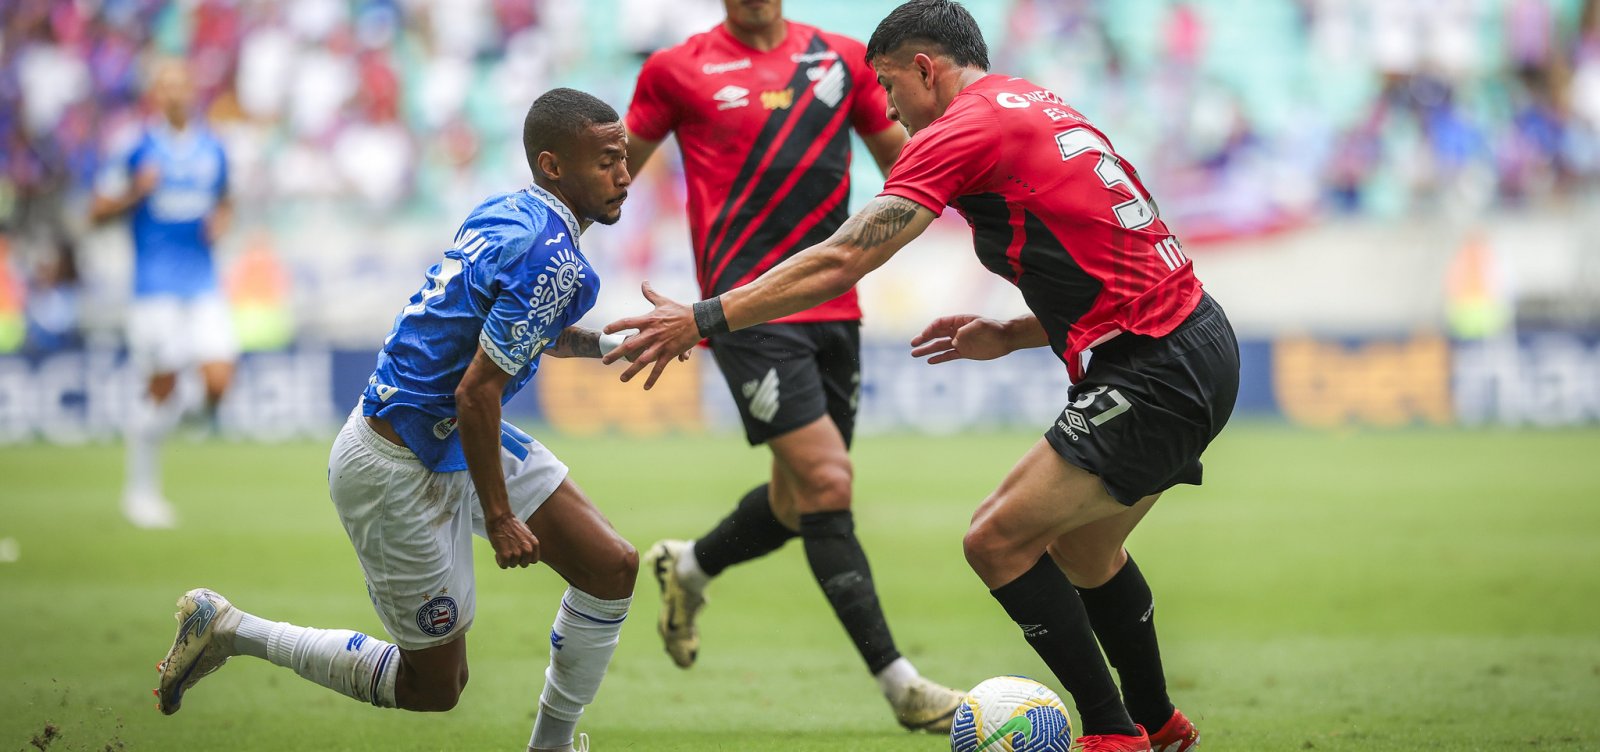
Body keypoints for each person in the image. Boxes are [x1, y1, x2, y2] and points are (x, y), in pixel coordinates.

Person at [604, 2, 1238, 750]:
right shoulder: (1031, 100)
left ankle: (1111, 734)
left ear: (925, 69)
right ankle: (1160, 724)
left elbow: (846, 255)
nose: (892, 108)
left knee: (996, 541)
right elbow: (1119, 256)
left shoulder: (961, 127)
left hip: (1156, 365)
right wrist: (1012, 332)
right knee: (1086, 551)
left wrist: (704, 317)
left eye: (890, 86)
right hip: (1191, 338)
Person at [154, 88, 641, 752]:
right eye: (608, 161)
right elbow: (477, 394)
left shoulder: (509, 212)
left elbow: (523, 332)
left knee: (610, 566)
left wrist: (611, 344)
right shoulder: (553, 256)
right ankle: (232, 629)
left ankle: (549, 747)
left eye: (625, 159)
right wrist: (500, 518)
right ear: (553, 165)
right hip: (397, 466)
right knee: (434, 688)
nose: (624, 175)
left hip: (444, 433)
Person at [621, 0, 962, 733]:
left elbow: (910, 170)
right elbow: (609, 174)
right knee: (830, 481)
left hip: (834, 309)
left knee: (794, 502)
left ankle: (688, 569)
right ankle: (901, 686)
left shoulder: (841, 60)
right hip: (743, 310)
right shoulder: (675, 71)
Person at [91, 59, 236, 529]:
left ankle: (182, 417)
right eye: (166, 85)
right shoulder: (134, 148)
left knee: (218, 380)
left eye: (181, 84)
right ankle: (140, 491)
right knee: (162, 386)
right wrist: (136, 191)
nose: (175, 92)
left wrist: (221, 222)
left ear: (192, 90)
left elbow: (226, 199)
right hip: (154, 286)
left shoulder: (213, 147)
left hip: (202, 280)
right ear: (155, 93)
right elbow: (95, 212)